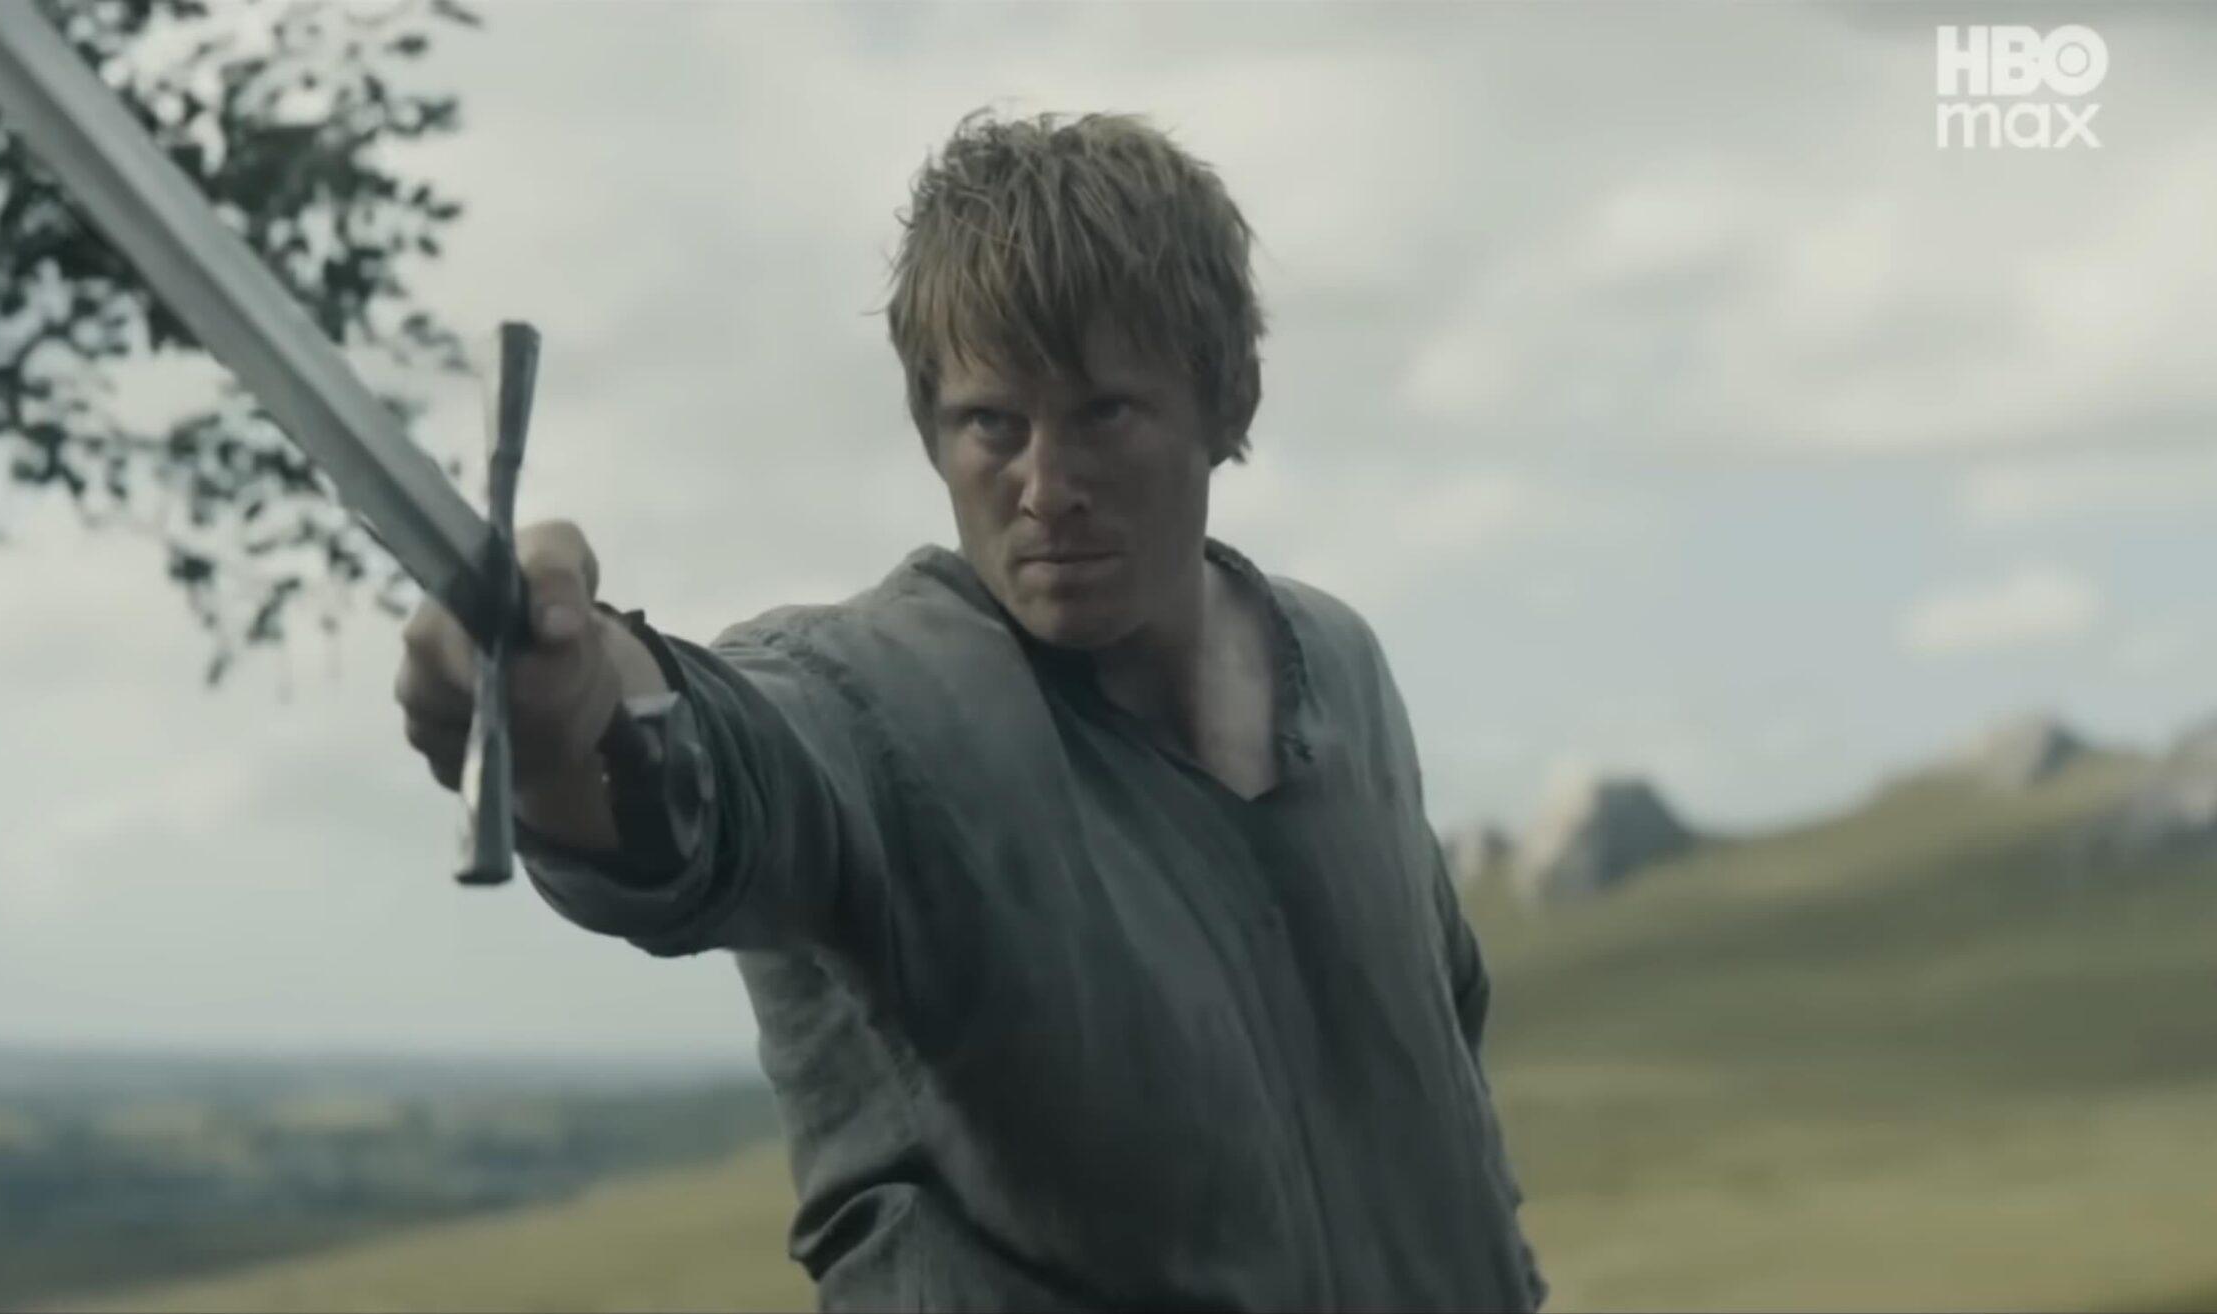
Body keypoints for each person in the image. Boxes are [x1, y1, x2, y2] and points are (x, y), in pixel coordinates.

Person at [393, 108, 1547, 1313]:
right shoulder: (881, 707)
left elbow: (1442, 1091)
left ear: (1227, 398)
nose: (1046, 488)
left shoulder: (1340, 667)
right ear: (931, 429)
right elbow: (717, 769)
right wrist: (575, 702)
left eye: (1102, 414)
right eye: (994, 424)